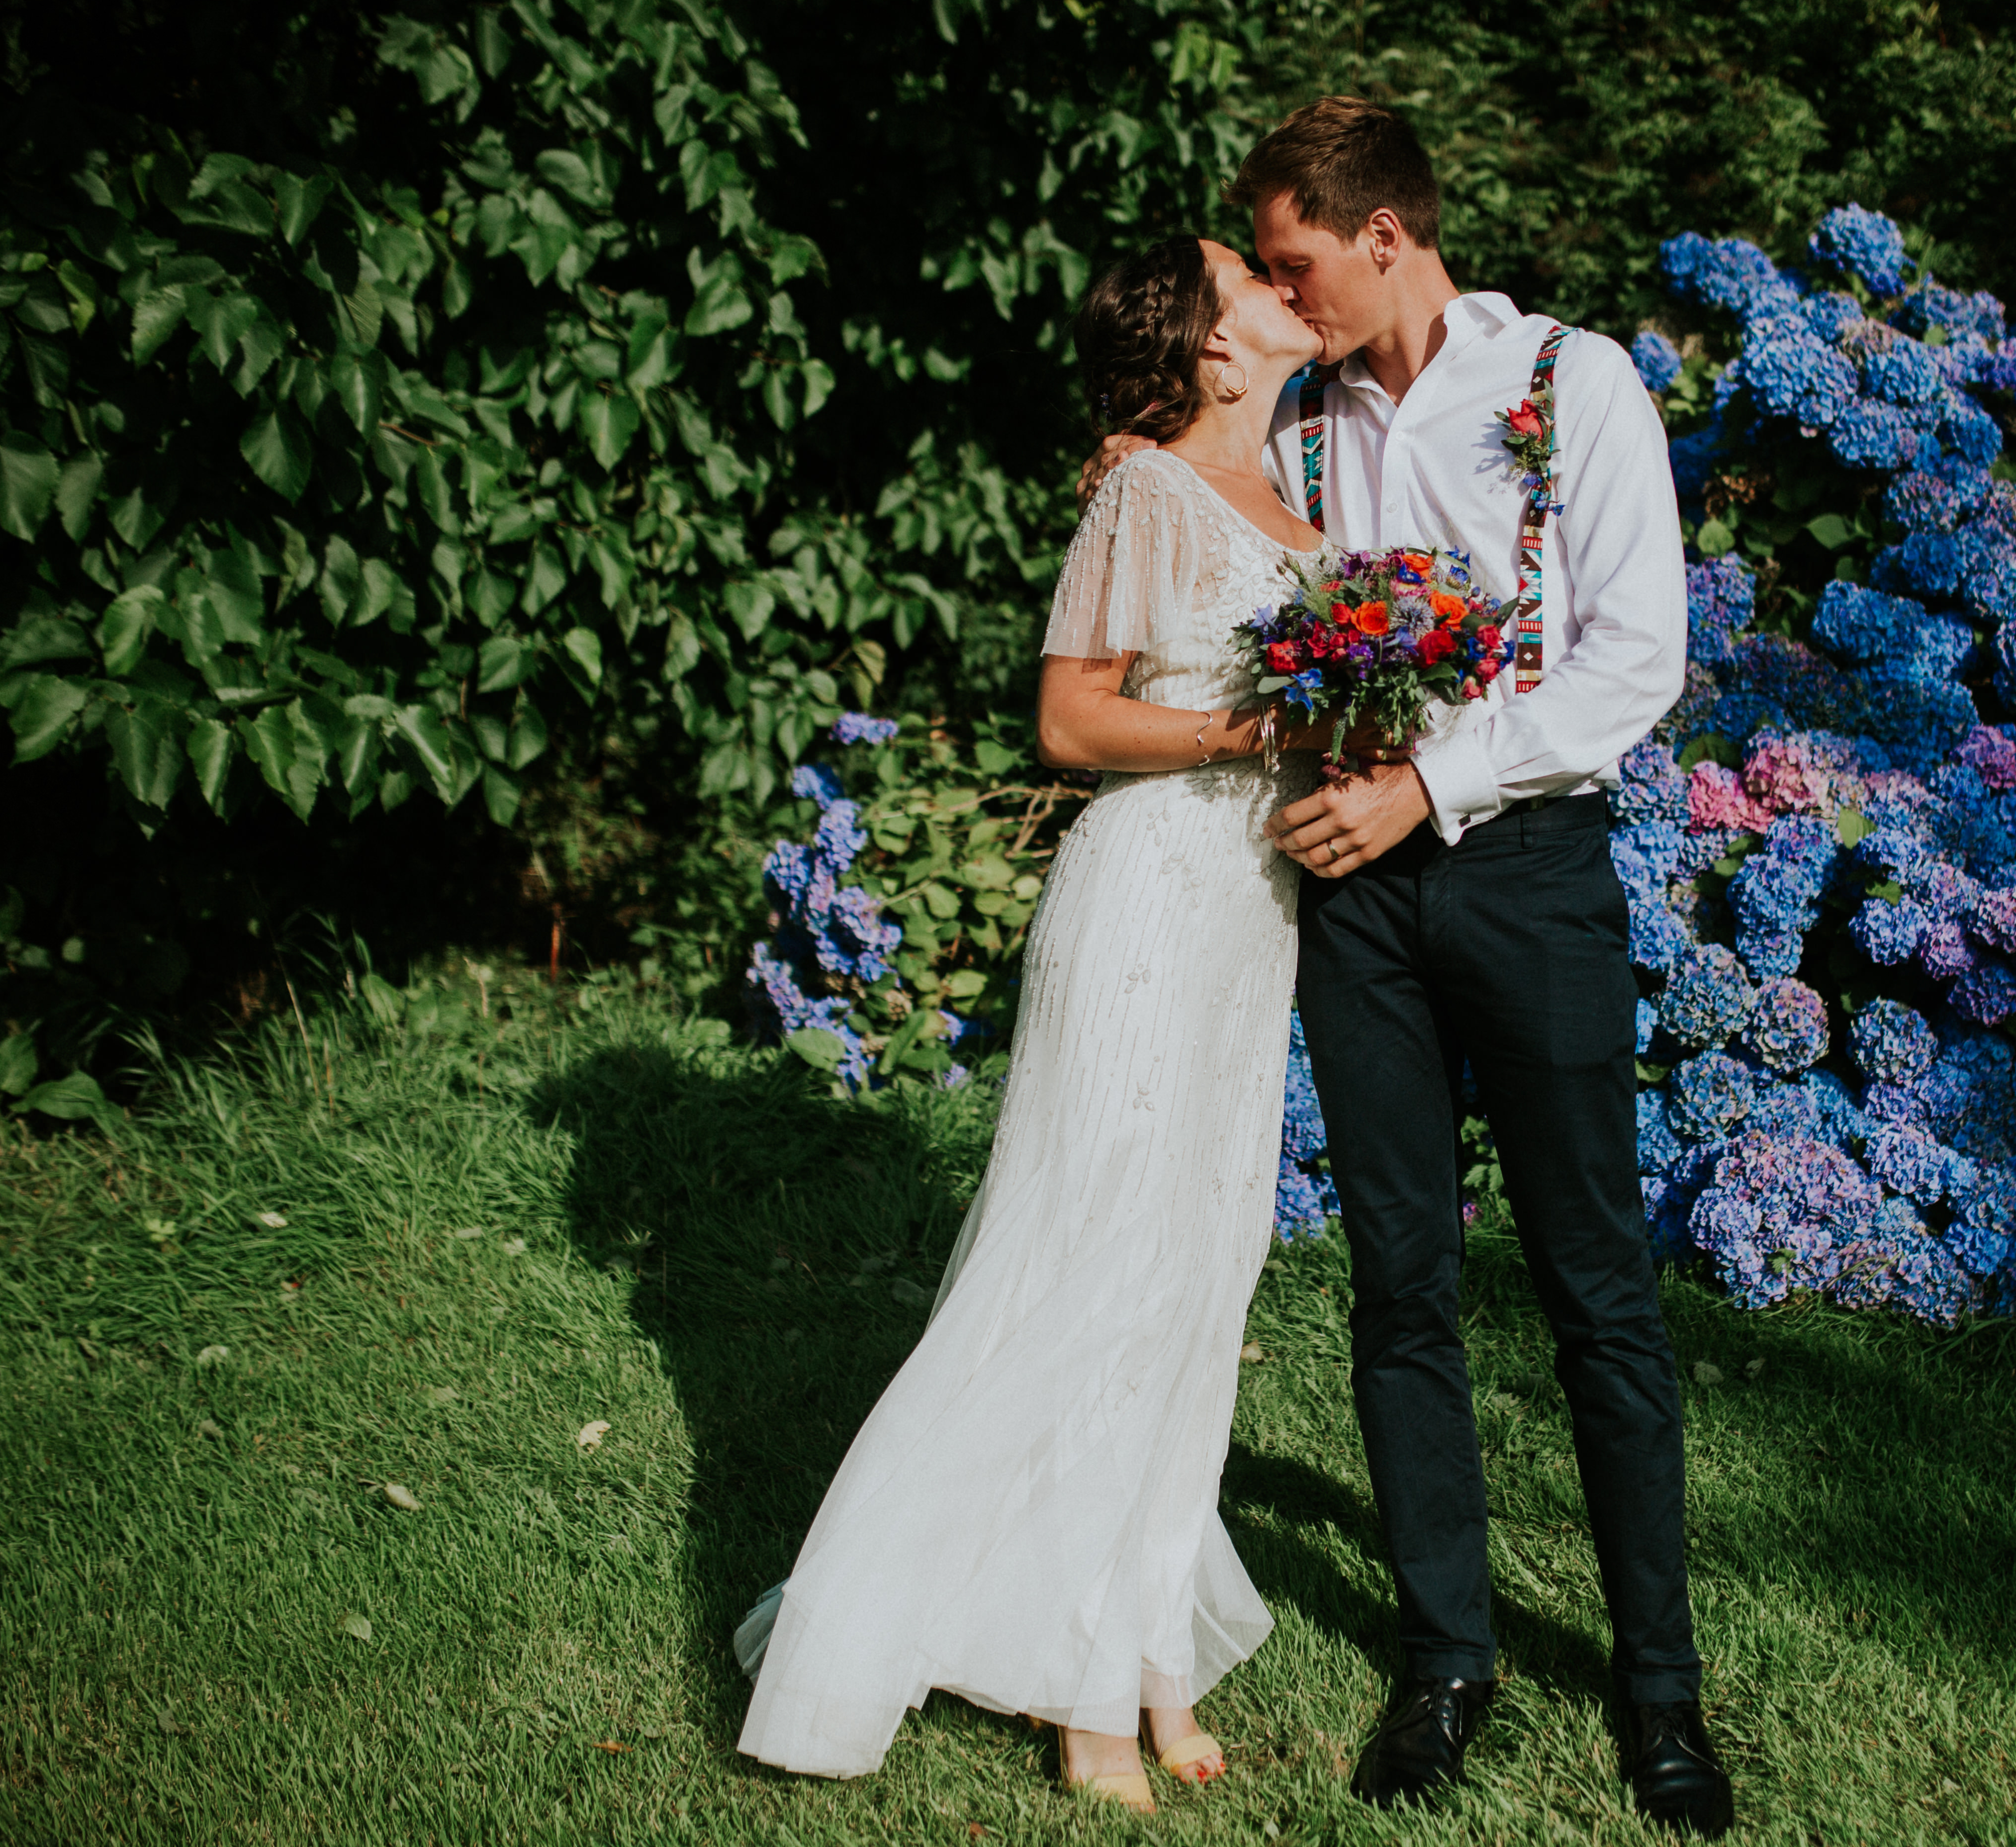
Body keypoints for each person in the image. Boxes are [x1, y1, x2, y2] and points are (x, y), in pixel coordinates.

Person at [1085, 96, 1733, 1835]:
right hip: (1353, 900)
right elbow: (1174, 488)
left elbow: (1633, 663)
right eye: (1265, 277)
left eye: (1295, 261)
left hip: (1523, 872)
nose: (1281, 298)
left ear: (1386, 235)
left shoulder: (1569, 387)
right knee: (1398, 1284)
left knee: (1597, 1289)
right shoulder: (1296, 416)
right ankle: (1446, 1660)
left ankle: (1658, 1692)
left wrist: (1427, 786)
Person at [731, 234, 1333, 1817]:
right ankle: (1078, 1691)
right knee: (1098, 1268)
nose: (1280, 282)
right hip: (1145, 899)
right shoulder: (1145, 492)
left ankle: (1145, 1647)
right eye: (1247, 278)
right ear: (1209, 348)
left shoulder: (1304, 499)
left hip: (1248, 924)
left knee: (1204, 1274)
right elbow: (1068, 716)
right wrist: (1245, 729)